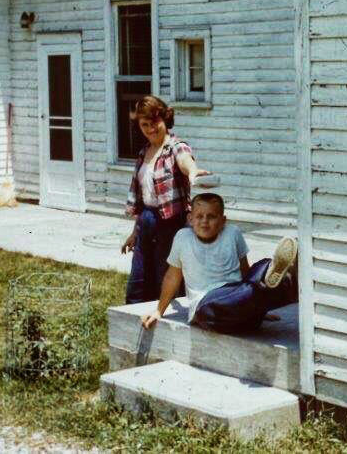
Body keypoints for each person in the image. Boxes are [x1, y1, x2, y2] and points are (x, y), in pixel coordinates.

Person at [140, 192, 298, 334]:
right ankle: (278, 288)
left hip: (241, 308)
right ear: (190, 219)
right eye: (199, 216)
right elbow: (172, 277)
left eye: (211, 216)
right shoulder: (183, 238)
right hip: (211, 310)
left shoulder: (233, 233)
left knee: (262, 266)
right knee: (214, 305)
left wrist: (260, 310)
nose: (204, 221)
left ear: (223, 221)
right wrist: (159, 311)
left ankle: (273, 277)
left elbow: (246, 272)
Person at [121, 95, 211, 304]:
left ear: (164, 119)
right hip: (146, 223)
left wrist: (193, 172)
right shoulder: (144, 152)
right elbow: (144, 199)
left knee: (167, 281)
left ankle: (166, 329)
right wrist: (134, 232)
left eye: (155, 122)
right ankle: (134, 326)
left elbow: (185, 160)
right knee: (138, 281)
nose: (151, 129)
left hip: (170, 226)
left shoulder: (176, 146)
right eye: (145, 124)